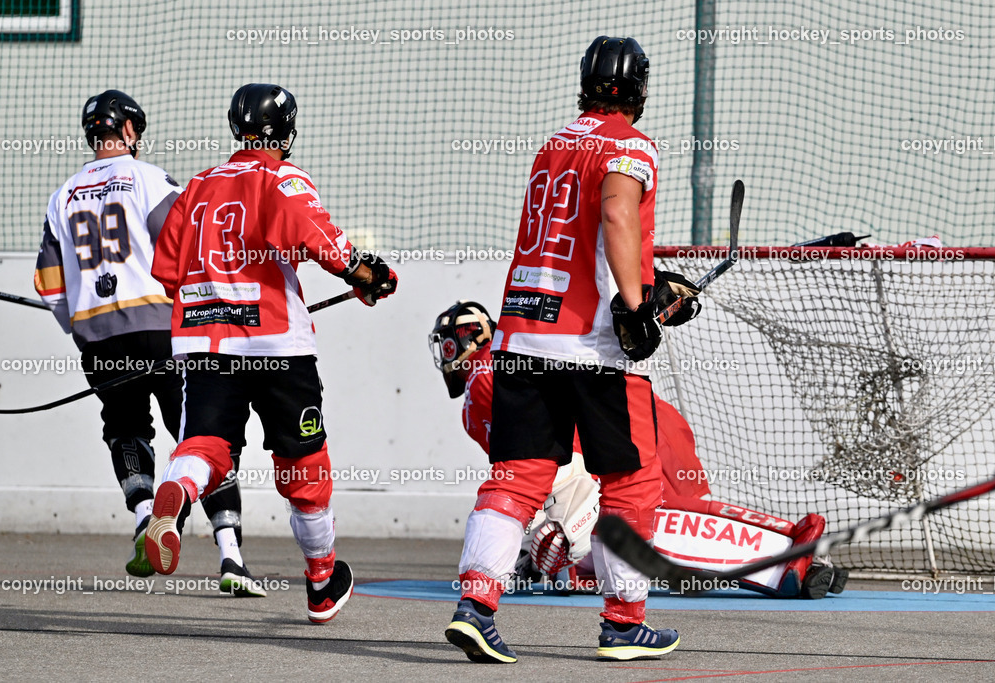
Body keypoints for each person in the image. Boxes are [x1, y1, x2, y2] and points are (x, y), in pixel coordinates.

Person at [443, 35, 690, 664]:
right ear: (639, 90)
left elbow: (577, 239)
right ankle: (624, 624)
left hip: (522, 335)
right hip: (590, 345)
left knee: (516, 477)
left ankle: (475, 605)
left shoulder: (553, 144)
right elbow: (615, 217)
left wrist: (649, 290)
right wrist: (637, 305)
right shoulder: (631, 145)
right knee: (632, 481)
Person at [145, 83, 397, 624]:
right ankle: (322, 582)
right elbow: (323, 241)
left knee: (206, 445)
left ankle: (177, 491)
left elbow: (166, 272)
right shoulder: (283, 178)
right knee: (304, 467)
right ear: (284, 131)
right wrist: (368, 273)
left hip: (204, 345)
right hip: (278, 346)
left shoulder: (197, 187)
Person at [430, 300, 849, 600]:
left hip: (632, 435)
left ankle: (790, 557)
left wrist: (566, 525)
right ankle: (804, 555)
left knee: (651, 530)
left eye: (446, 345)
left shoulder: (487, 376)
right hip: (640, 427)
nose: (445, 356)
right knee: (631, 542)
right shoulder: (500, 369)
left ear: (465, 339)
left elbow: (554, 461)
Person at [34, 89, 264, 596]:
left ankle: (144, 517)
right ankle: (231, 556)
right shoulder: (149, 178)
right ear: (129, 131)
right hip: (163, 332)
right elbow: (192, 246)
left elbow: (49, 287)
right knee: (201, 436)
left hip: (99, 339)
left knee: (125, 428)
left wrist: (82, 327)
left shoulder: (61, 196)